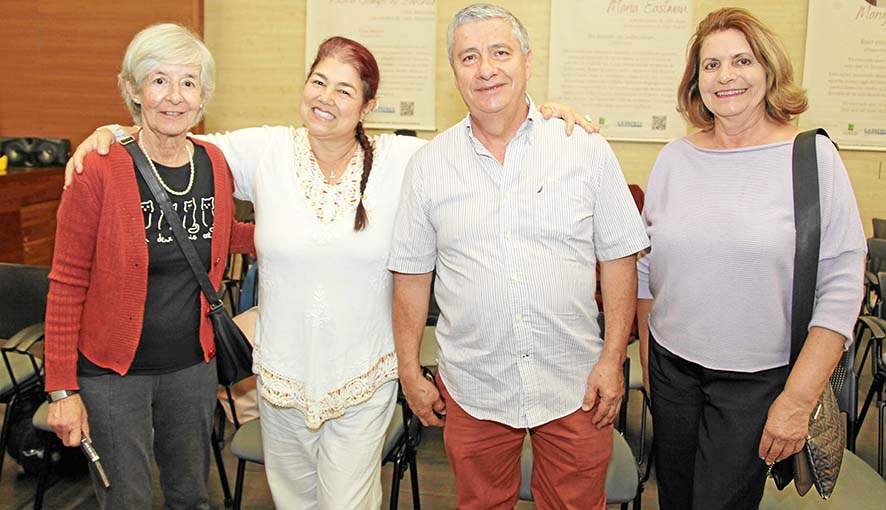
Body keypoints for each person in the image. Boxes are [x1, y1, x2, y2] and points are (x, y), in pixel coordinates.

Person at [64, 34, 595, 509]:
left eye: (344, 90)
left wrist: (540, 118)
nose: (326, 98)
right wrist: (111, 130)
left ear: (368, 106)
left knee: (346, 502)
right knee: (292, 500)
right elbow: (171, 139)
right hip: (281, 375)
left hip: (362, 374)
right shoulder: (263, 151)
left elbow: (485, 141)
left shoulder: (404, 160)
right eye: (319, 81)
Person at [387, 4, 649, 509]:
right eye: (469, 57)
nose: (486, 69)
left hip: (575, 382)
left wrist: (613, 360)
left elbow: (620, 259)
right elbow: (411, 277)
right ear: (454, 72)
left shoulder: (584, 148)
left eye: (500, 52)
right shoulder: (428, 167)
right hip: (474, 384)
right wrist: (408, 370)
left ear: (527, 60)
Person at [635, 7, 866, 510]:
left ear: (768, 70)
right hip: (672, 369)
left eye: (742, 60)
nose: (726, 76)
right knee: (675, 497)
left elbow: (843, 285)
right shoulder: (675, 158)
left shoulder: (812, 158)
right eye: (711, 65)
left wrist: (798, 400)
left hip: (759, 382)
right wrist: (649, 362)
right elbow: (647, 269)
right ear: (696, 82)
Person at [44, 23, 254, 509]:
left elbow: (225, 237)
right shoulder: (97, 166)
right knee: (127, 502)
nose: (174, 97)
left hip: (192, 369)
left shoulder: (214, 163)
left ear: (204, 95)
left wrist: (306, 236)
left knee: (191, 498)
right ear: (134, 90)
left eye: (188, 82)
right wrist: (61, 390)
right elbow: (67, 281)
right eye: (159, 80)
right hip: (114, 375)